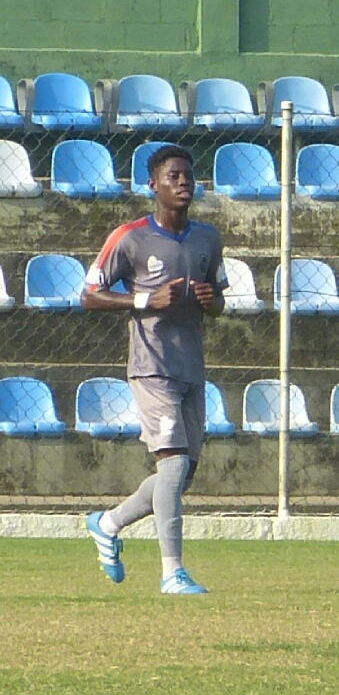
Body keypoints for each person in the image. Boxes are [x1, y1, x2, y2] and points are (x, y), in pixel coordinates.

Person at [81, 144, 226, 596]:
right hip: (151, 367)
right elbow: (89, 295)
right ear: (153, 185)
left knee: (181, 475)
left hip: (191, 368)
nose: (183, 183)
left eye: (188, 176)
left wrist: (212, 302)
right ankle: (172, 572)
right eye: (173, 176)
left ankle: (108, 523)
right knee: (173, 463)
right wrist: (145, 299)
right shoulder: (131, 237)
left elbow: (219, 302)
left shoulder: (207, 239)